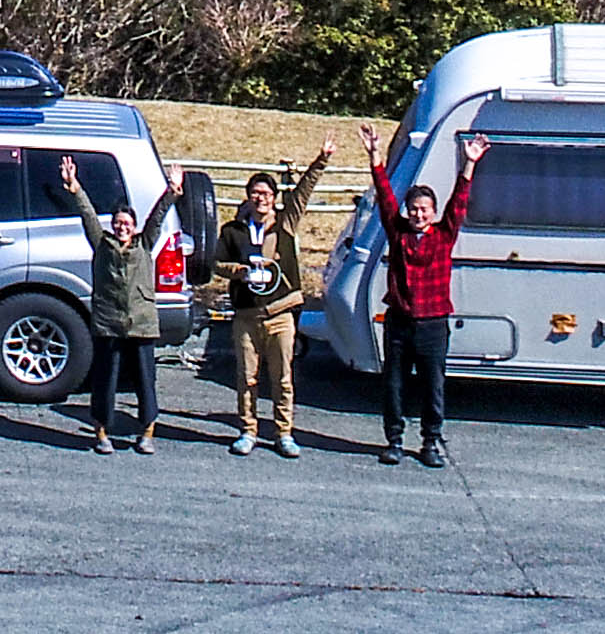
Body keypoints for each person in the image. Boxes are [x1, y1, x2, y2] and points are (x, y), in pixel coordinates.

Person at [197, 153, 331, 457]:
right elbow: (217, 263)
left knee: (283, 378)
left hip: (281, 314)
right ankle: (248, 431)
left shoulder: (285, 224)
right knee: (246, 377)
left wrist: (321, 161)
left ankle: (284, 433)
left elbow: (303, 193)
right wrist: (239, 271)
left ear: (274, 198)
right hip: (246, 315)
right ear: (248, 197)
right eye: (256, 193)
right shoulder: (233, 231)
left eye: (267, 194)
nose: (262, 199)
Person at [357, 122, 462, 466]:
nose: (418, 214)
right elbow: (385, 197)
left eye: (424, 209)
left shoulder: (443, 236)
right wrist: (375, 155)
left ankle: (430, 442)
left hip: (433, 324)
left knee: (433, 385)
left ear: (433, 212)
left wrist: (470, 165)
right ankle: (394, 440)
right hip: (400, 322)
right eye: (413, 208)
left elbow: (459, 204)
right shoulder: (398, 232)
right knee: (394, 384)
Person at [72, 176, 175, 452]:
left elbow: (157, 218)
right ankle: (101, 432)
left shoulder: (144, 244)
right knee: (105, 379)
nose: (122, 227)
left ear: (135, 226)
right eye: (118, 223)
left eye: (127, 223)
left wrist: (172, 192)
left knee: (145, 380)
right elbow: (88, 216)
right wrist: (76, 188)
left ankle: (147, 431)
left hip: (141, 324)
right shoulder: (101, 244)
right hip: (109, 324)